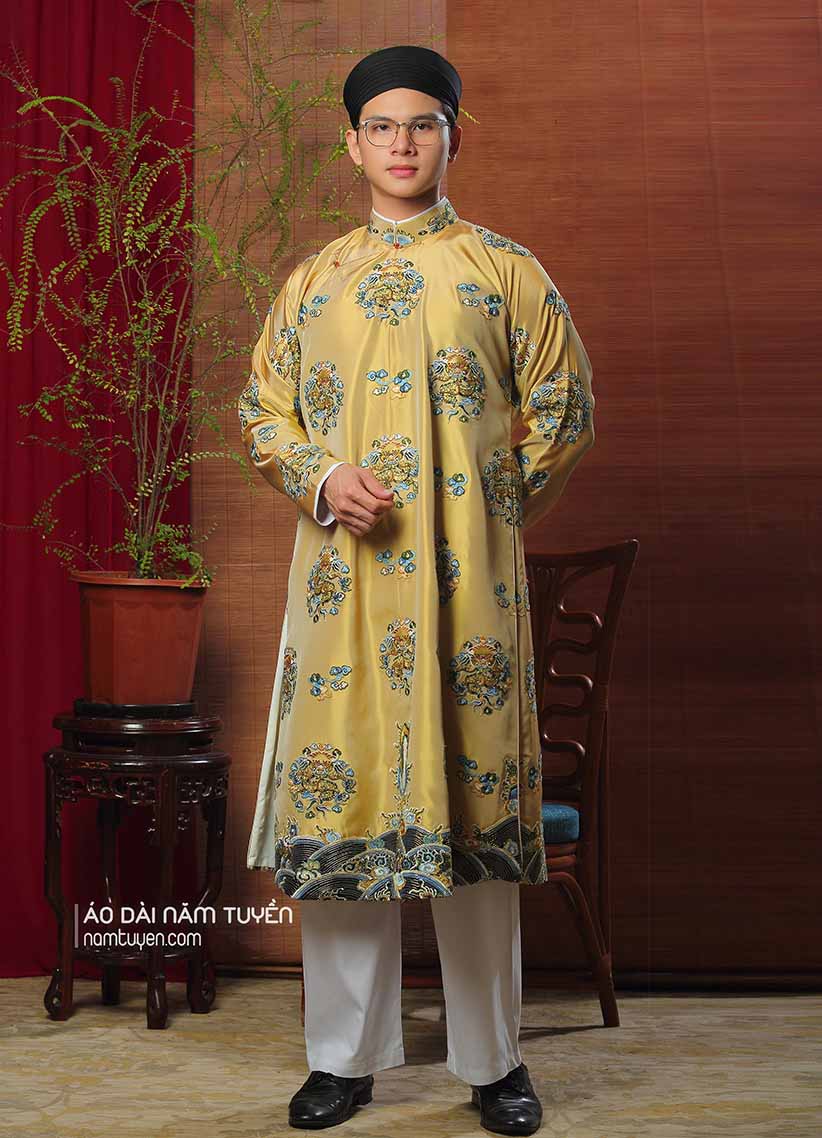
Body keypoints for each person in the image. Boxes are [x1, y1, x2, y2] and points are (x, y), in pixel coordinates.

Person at [239, 43, 595, 1135]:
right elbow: (262, 411)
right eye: (382, 126)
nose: (402, 143)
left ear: (452, 136)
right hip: (342, 588)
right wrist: (319, 477)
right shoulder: (314, 282)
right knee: (343, 808)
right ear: (352, 144)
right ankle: (340, 1061)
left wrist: (481, 509)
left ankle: (495, 1063)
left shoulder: (505, 270)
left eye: (423, 123)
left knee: (474, 814)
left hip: (467, 593)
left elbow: (565, 405)